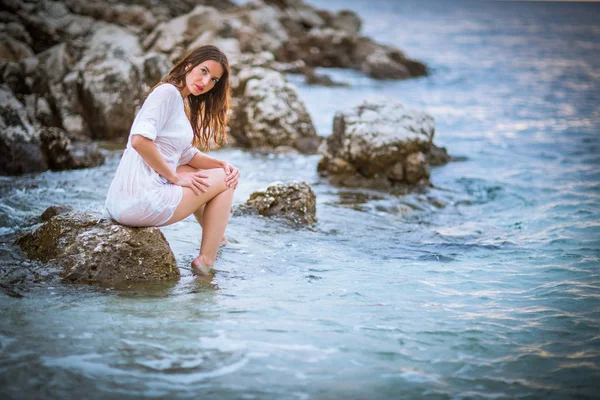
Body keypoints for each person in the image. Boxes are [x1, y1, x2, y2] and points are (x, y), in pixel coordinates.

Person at [105, 45, 240, 276]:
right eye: (203, 71)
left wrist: (221, 165)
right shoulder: (166, 93)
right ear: (188, 65)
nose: (206, 82)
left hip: (122, 203)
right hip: (140, 201)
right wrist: (174, 177)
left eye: (214, 80)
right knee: (227, 181)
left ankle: (218, 236)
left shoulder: (179, 100)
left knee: (219, 172)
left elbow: (186, 155)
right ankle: (207, 259)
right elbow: (139, 141)